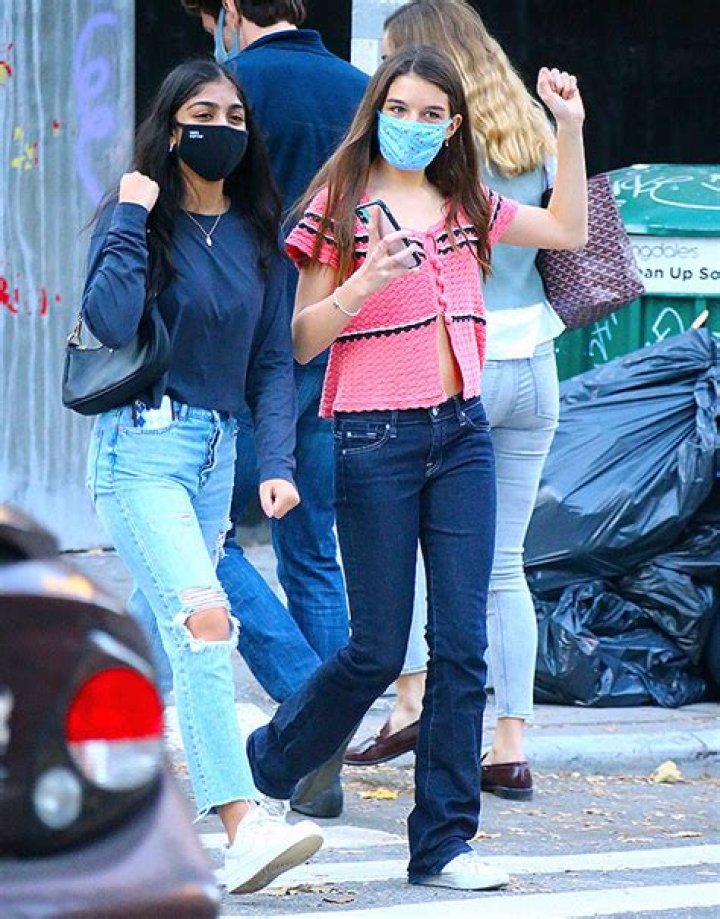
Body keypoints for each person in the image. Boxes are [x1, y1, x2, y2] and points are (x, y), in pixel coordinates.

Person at [245, 44, 587, 889]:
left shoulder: (466, 199)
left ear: (454, 125)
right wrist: (365, 281)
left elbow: (570, 230)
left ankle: (441, 842)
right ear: (378, 110)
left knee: (463, 643)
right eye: (402, 108)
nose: (416, 125)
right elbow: (298, 339)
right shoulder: (339, 204)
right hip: (374, 440)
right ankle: (271, 758)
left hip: (462, 434)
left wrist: (569, 129)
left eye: (434, 114)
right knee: (374, 648)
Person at [81, 58, 323, 894]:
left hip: (217, 459)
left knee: (149, 638)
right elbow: (108, 320)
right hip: (140, 448)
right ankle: (239, 820)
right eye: (201, 112)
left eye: (234, 114)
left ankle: (79, 779)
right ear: (172, 126)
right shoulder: (142, 221)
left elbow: (271, 366)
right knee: (204, 621)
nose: (220, 127)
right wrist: (128, 213)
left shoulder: (260, 237)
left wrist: (279, 466)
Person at [344, 0, 564, 804]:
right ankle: (508, 744)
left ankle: (410, 699)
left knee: (392, 547)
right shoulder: (529, 131)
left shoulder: (438, 160)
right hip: (533, 363)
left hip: (452, 368)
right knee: (502, 564)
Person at [179, 0, 368, 818]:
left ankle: (304, 702)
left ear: (229, 13)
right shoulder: (364, 91)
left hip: (244, 346)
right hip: (338, 342)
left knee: (197, 535)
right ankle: (322, 743)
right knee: (311, 545)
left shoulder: (224, 89)